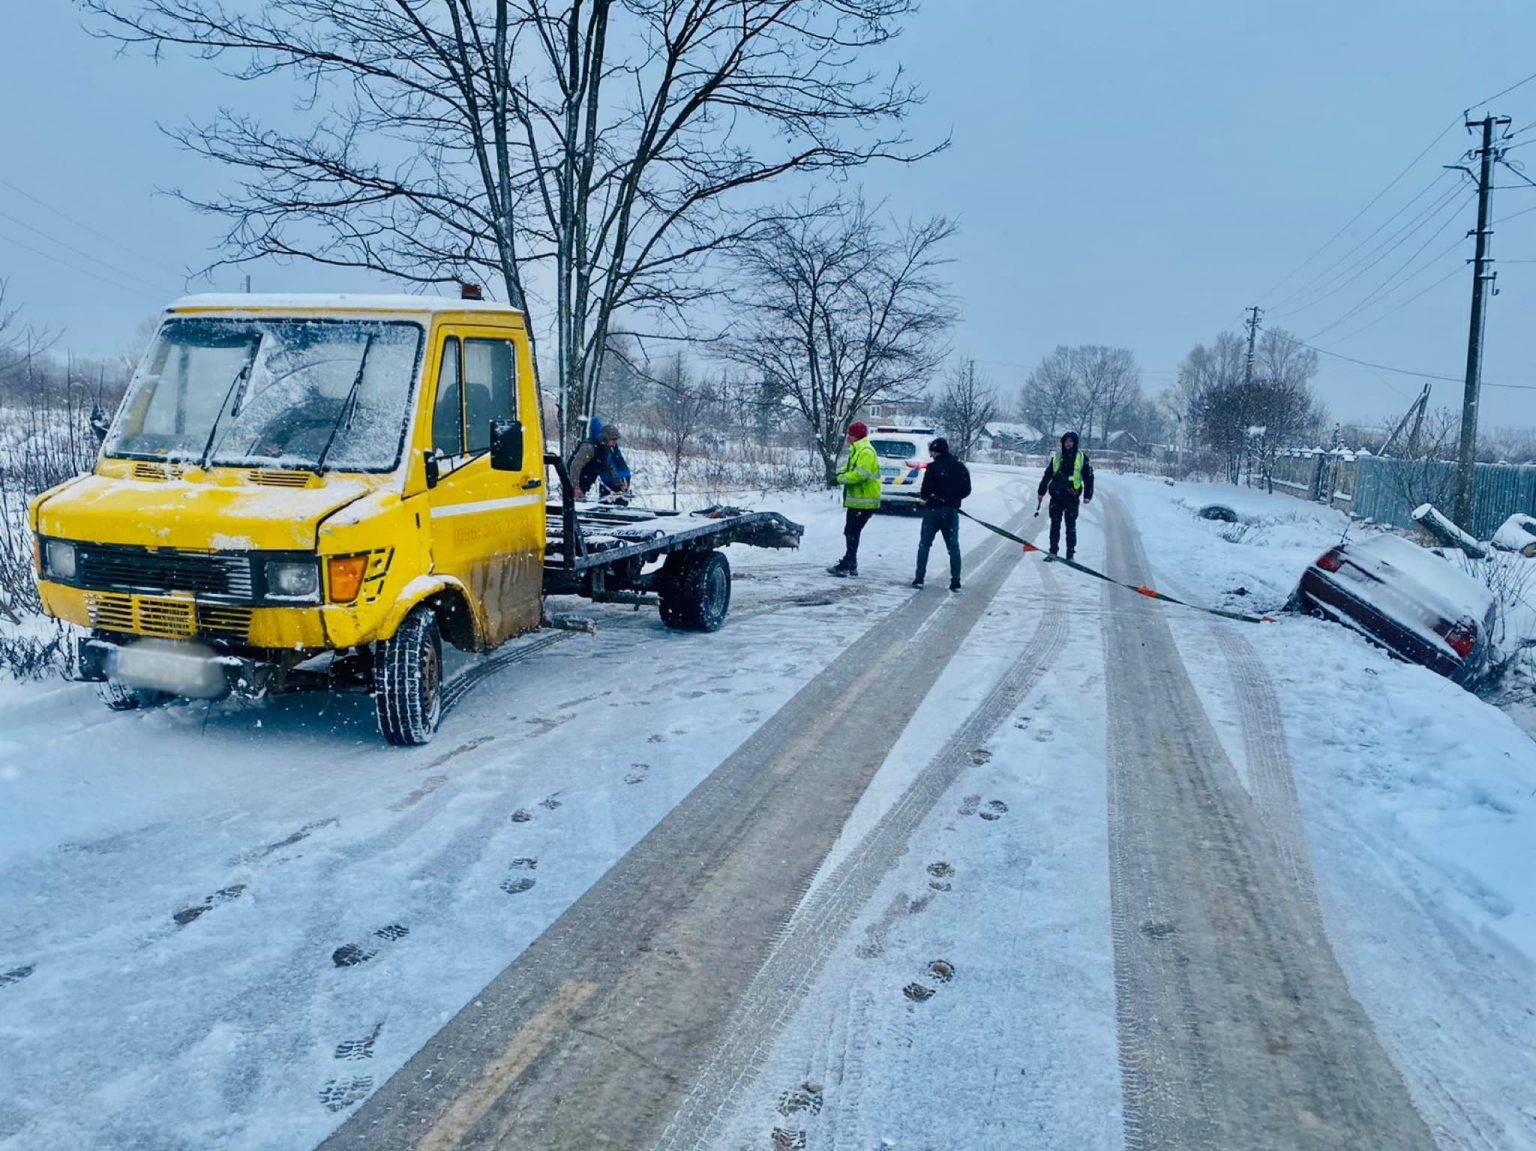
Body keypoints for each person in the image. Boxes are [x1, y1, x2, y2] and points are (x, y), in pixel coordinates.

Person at [912, 437, 971, 591]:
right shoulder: (960, 467)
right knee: (953, 547)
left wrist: (930, 497)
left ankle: (919, 578)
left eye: (931, 451)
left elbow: (924, 492)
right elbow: (967, 490)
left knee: (924, 545)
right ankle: (956, 580)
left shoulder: (933, 468)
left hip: (933, 511)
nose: (930, 455)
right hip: (951, 512)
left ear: (935, 451)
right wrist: (954, 498)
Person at [827, 421, 881, 577]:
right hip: (859, 500)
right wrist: (838, 474)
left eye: (849, 434)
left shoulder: (865, 451)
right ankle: (850, 563)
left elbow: (860, 475)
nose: (847, 437)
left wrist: (840, 479)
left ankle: (849, 563)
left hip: (865, 500)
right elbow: (851, 469)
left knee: (852, 532)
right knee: (851, 532)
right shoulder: (857, 450)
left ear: (855, 435)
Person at [1037, 430, 1093, 559]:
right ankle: (1053, 552)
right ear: (1063, 442)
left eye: (1071, 441)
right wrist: (1041, 491)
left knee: (1070, 526)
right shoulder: (1057, 457)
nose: (1068, 444)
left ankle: (1070, 554)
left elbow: (1089, 477)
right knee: (1054, 525)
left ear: (1075, 443)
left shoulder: (1082, 457)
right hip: (1056, 496)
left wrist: (1087, 495)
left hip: (1072, 497)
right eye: (1066, 441)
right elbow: (1048, 475)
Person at [572, 418, 632, 501]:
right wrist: (576, 487)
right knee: (574, 507)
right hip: (575, 482)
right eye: (613, 440)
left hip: (585, 482)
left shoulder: (605, 449)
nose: (615, 443)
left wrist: (620, 485)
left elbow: (609, 468)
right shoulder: (589, 447)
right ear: (606, 438)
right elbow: (575, 466)